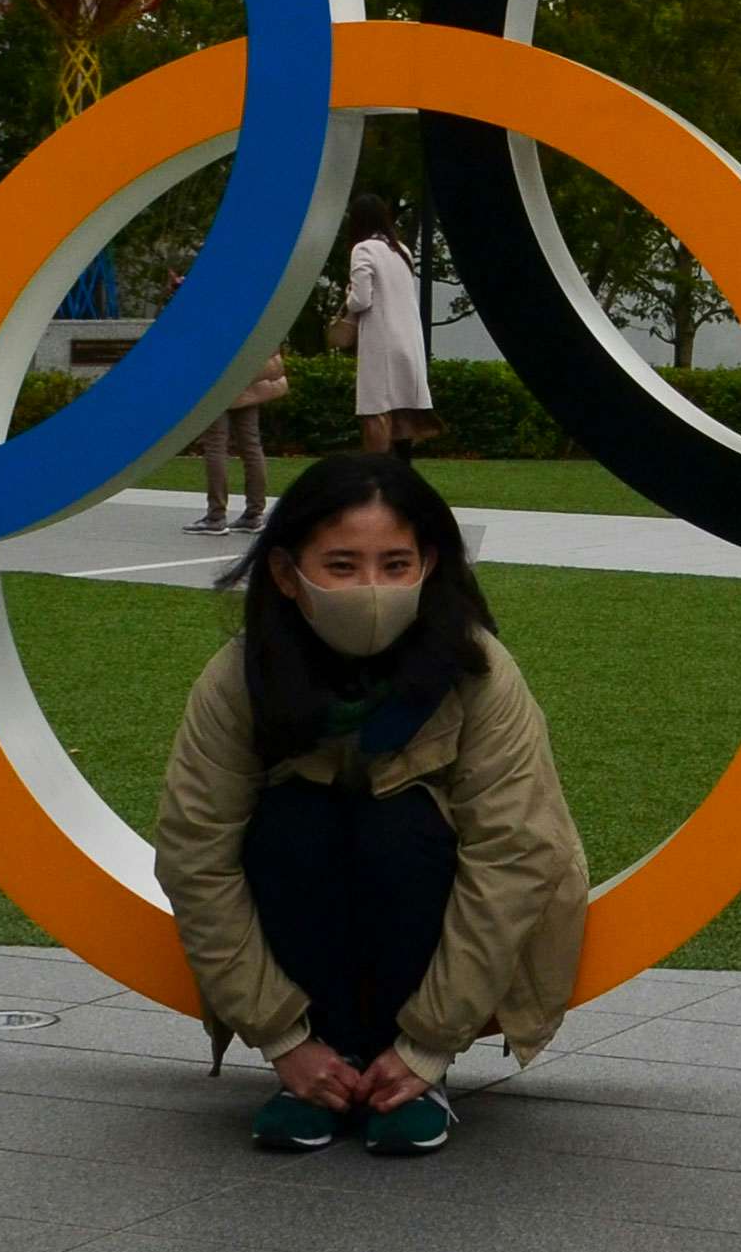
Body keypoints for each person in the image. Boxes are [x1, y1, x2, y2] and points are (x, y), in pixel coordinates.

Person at [153, 455, 588, 1156]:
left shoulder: (476, 671)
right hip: (300, 930)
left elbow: (514, 852)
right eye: (342, 566)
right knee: (295, 820)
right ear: (286, 573)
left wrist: (427, 1045)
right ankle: (319, 1066)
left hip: (422, 903)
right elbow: (194, 851)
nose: (373, 588)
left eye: (395, 564)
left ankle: (407, 1076)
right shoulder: (242, 676)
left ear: (429, 566)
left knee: (398, 825)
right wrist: (282, 1038)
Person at [335, 193, 441, 458]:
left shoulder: (363, 249)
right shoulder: (402, 250)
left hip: (381, 342)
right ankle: (403, 472)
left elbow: (361, 300)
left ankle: (379, 471)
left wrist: (348, 295)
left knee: (377, 411)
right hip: (409, 341)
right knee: (404, 414)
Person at [188, 352, 285, 538]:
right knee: (251, 445)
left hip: (216, 379)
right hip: (247, 378)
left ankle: (216, 516)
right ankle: (254, 514)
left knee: (215, 444)